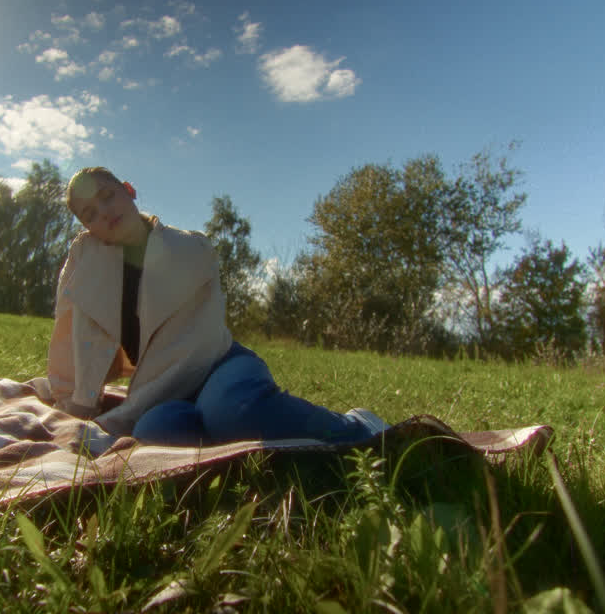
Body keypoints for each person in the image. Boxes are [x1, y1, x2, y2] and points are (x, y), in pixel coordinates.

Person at [46, 166, 389, 447]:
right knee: (155, 433)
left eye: (108, 196)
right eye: (90, 214)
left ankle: (356, 427)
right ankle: (237, 452)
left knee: (230, 410)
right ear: (88, 229)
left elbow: (188, 345)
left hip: (219, 365)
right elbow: (79, 334)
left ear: (129, 190)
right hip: (166, 391)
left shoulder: (190, 249)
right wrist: (80, 403)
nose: (104, 212)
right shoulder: (94, 272)